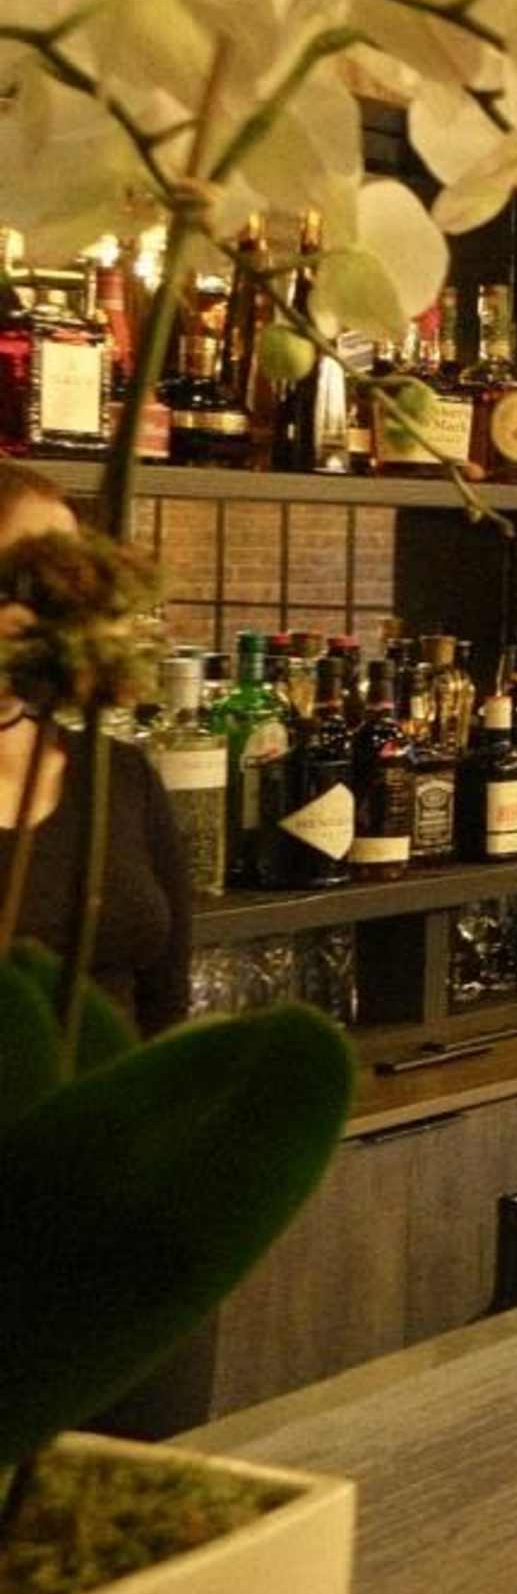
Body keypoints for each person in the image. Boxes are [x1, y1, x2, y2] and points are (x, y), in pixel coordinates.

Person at [0, 460, 205, 1433]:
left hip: (130, 1224)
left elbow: (167, 1002)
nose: (46, 606)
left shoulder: (116, 778)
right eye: (25, 578)